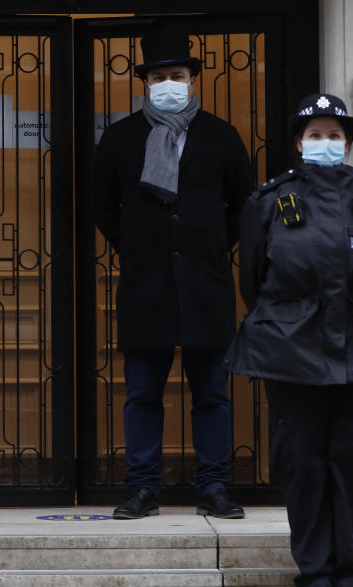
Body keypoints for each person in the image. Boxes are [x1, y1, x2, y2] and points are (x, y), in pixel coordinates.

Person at [226, 93, 353, 587]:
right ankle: (316, 577)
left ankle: (352, 575)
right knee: (305, 463)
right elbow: (253, 282)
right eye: (315, 135)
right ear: (298, 144)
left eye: (335, 135)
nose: (325, 143)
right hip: (293, 352)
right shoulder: (270, 201)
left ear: (348, 142)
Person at [92, 31, 253, 520]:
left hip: (207, 286)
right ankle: (142, 487)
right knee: (142, 393)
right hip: (147, 285)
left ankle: (214, 486)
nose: (168, 84)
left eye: (176, 77)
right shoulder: (121, 137)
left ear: (192, 80)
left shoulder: (221, 134)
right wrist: (140, 246)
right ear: (145, 82)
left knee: (212, 393)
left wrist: (207, 246)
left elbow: (243, 205)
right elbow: (103, 205)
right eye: (159, 77)